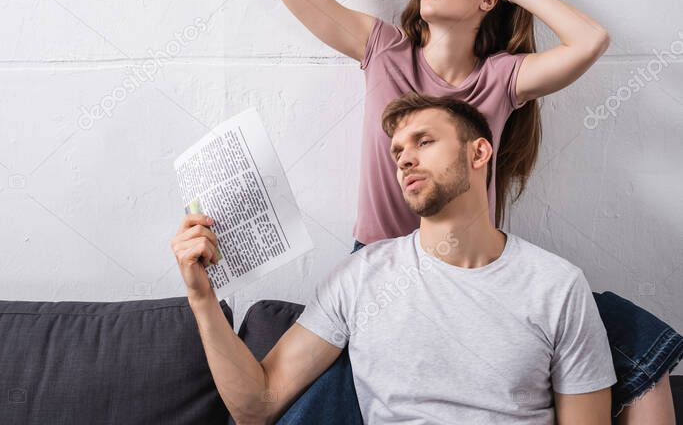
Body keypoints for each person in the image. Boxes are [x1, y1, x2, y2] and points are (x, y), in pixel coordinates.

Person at [231, 0, 683, 423]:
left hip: (479, 272)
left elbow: (590, 41)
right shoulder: (385, 50)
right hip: (384, 274)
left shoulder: (500, 77)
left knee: (643, 351)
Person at [172, 93, 619, 424]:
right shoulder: (361, 276)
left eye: (423, 142)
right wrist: (202, 299)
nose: (404, 160)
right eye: (398, 152)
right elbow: (257, 405)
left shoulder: (557, 285)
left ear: (478, 152)